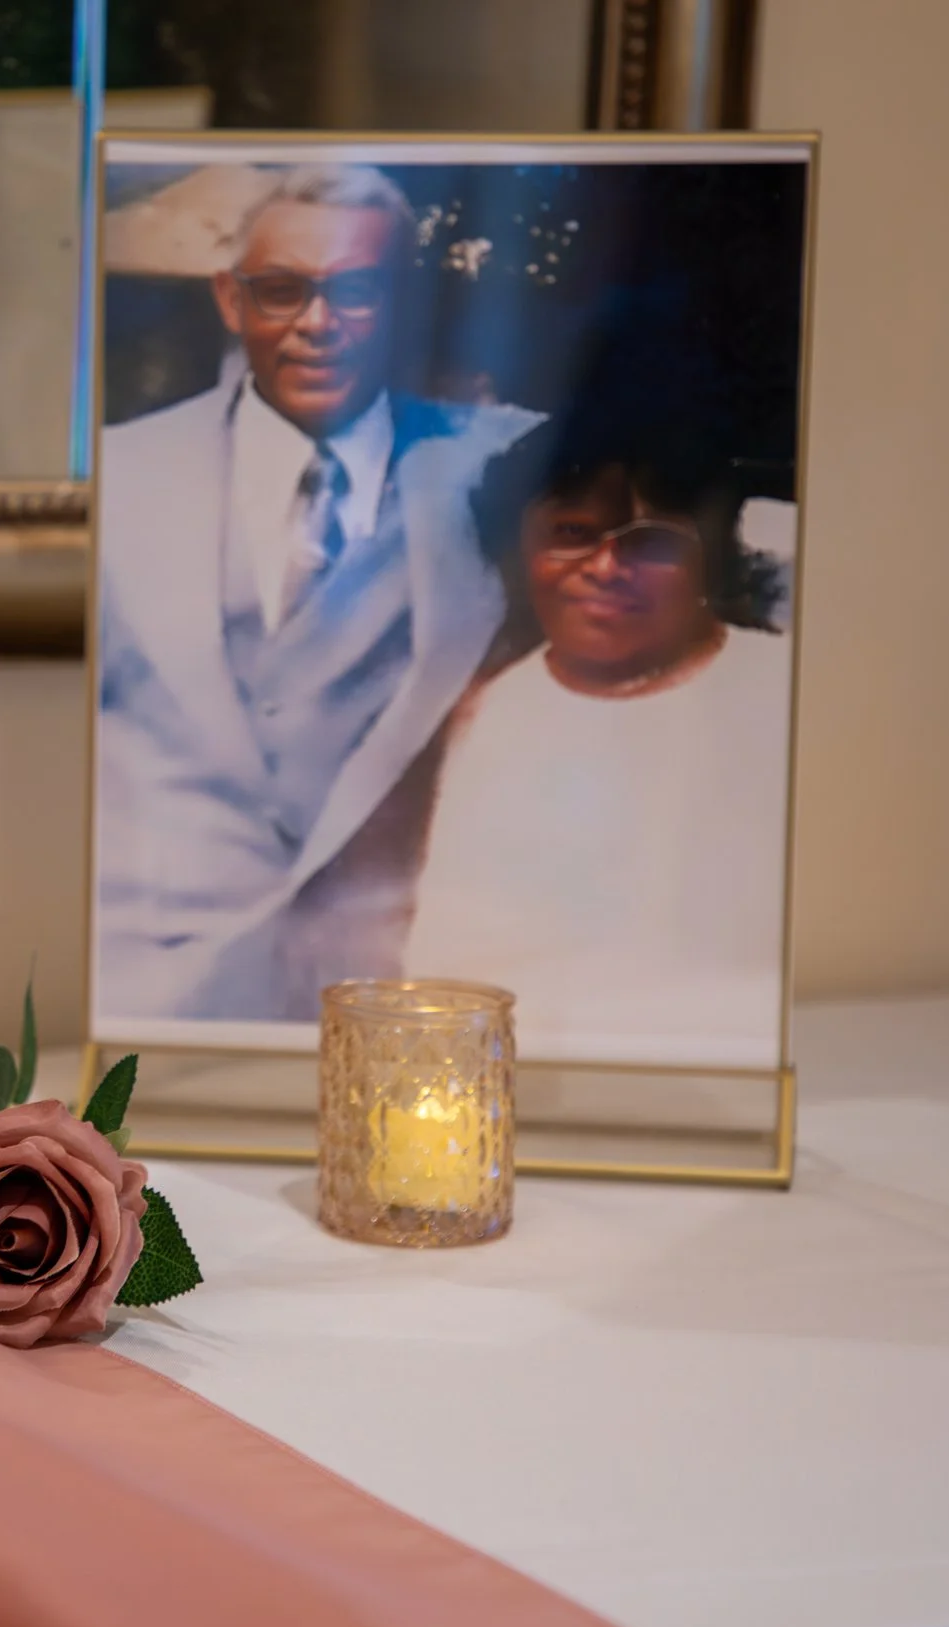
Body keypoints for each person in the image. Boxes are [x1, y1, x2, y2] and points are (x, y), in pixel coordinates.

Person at [94, 164, 543, 1027]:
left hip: (394, 1000)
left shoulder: (505, 465)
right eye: (281, 290)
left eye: (358, 292)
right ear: (230, 300)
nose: (317, 324)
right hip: (151, 1000)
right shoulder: (119, 475)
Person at [402, 364, 794, 1067]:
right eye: (573, 532)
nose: (607, 567)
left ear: (708, 551)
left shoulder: (776, 691)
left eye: (649, 542)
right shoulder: (489, 711)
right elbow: (444, 961)